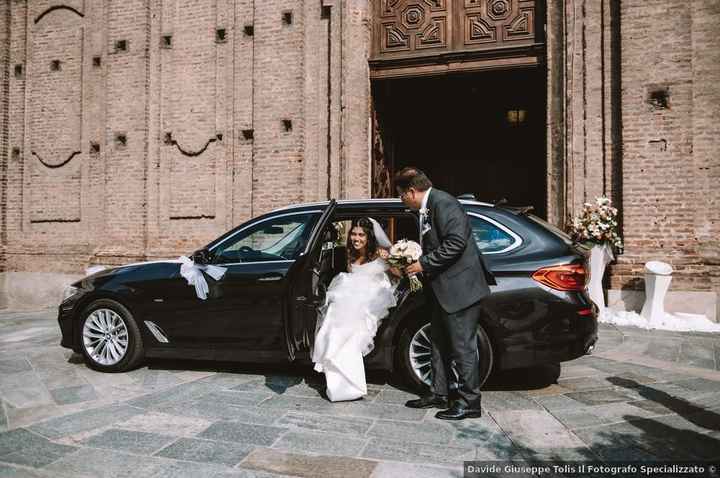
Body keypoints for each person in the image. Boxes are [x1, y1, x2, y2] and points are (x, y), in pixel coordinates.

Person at [397, 167, 496, 420]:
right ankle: (438, 392)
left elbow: (456, 243)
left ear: (411, 192)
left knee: (462, 348)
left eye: (401, 196)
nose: (401, 201)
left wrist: (422, 264)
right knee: (438, 342)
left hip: (460, 289)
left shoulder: (445, 203)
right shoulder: (428, 207)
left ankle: (469, 402)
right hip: (442, 290)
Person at [312, 217, 401, 402]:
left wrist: (391, 261)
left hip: (372, 299)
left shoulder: (379, 253)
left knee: (351, 330)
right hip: (350, 294)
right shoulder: (349, 253)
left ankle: (350, 386)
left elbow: (399, 275)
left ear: (369, 237)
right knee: (332, 322)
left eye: (361, 235)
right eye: (353, 233)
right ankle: (336, 382)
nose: (356, 238)